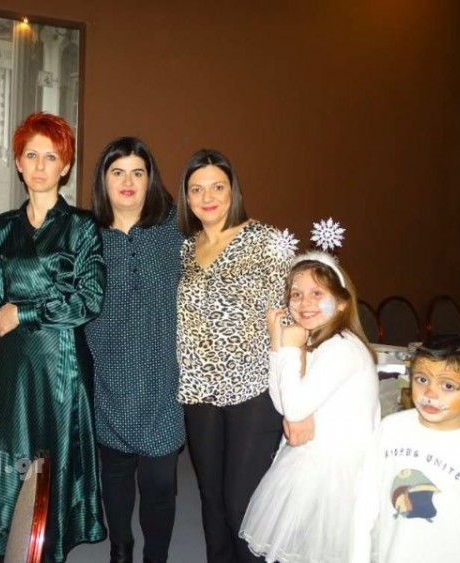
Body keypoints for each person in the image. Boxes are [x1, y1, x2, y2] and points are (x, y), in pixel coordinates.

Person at [0, 112, 107, 563]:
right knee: (7, 456)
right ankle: (2, 547)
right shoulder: (3, 227)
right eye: (31, 155)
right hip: (11, 365)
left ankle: (46, 550)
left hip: (59, 365)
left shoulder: (82, 226)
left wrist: (25, 311)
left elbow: (89, 300)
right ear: (18, 162)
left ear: (65, 166)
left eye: (51, 157)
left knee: (52, 462)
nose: (40, 165)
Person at [176, 149, 290, 563]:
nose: (207, 197)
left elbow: (288, 318)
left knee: (241, 501)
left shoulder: (266, 241)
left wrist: (296, 394)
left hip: (252, 388)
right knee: (210, 497)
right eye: (197, 189)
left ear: (232, 191)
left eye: (217, 187)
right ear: (186, 197)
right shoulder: (185, 250)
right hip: (198, 391)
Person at [239, 250, 380, 562]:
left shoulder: (342, 348)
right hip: (311, 461)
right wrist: (278, 344)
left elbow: (294, 409)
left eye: (317, 293)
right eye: (296, 294)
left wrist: (290, 347)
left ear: (341, 303)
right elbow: (282, 403)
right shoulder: (319, 343)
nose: (305, 303)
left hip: (336, 470)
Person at [85, 137, 185, 563]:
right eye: (117, 172)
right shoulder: (86, 236)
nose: (127, 182)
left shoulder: (176, 229)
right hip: (109, 377)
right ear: (103, 180)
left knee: (160, 482)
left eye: (137, 173)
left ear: (150, 180)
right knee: (116, 474)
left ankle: (155, 556)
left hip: (164, 380)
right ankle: (121, 549)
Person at [351, 333, 460, 563]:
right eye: (422, 380)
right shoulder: (391, 429)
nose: (430, 394)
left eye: (448, 385)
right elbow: (365, 503)